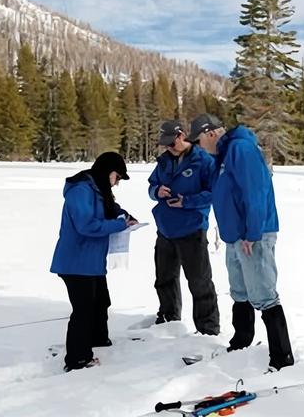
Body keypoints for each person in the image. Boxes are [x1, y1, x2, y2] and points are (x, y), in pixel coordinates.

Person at [189, 113, 294, 371]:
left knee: (264, 294)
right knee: (240, 291)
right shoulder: (221, 156)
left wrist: (252, 233)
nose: (199, 146)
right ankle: (241, 343)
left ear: (210, 133)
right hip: (235, 237)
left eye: (199, 140)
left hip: (253, 235)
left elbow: (255, 191)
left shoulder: (241, 149)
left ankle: (282, 359)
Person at [50, 152, 137, 372]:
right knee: (84, 309)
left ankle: (98, 341)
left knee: (101, 302)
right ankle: (77, 359)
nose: (117, 183)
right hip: (76, 263)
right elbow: (86, 225)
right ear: (107, 172)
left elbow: (110, 209)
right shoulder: (81, 190)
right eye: (117, 177)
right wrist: (119, 226)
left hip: (92, 262)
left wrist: (124, 216)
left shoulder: (99, 190)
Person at [147, 120, 220, 335]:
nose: (168, 147)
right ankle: (170, 320)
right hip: (165, 229)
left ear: (181, 136)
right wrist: (157, 191)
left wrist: (186, 201)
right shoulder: (163, 161)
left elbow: (213, 192)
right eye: (165, 144)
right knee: (164, 279)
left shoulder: (203, 160)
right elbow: (151, 186)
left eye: (171, 142)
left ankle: (208, 329)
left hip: (192, 229)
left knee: (199, 282)